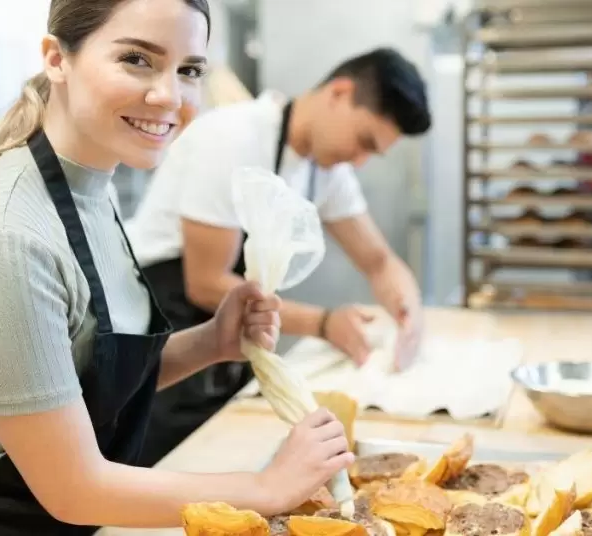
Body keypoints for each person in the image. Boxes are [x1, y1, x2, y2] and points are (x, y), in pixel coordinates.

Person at [0, 1, 354, 534]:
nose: (169, 96)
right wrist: (265, 488)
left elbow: (80, 383)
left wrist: (211, 342)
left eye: (190, 70)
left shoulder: (91, 192)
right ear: (56, 59)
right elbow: (74, 487)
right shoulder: (6, 238)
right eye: (136, 59)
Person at [125, 47, 432, 467]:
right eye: (363, 142)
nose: (359, 162)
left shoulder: (325, 169)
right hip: (166, 334)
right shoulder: (232, 137)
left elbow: (378, 260)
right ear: (339, 93)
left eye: (371, 154)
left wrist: (407, 310)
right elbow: (207, 282)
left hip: (228, 345)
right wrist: (324, 324)